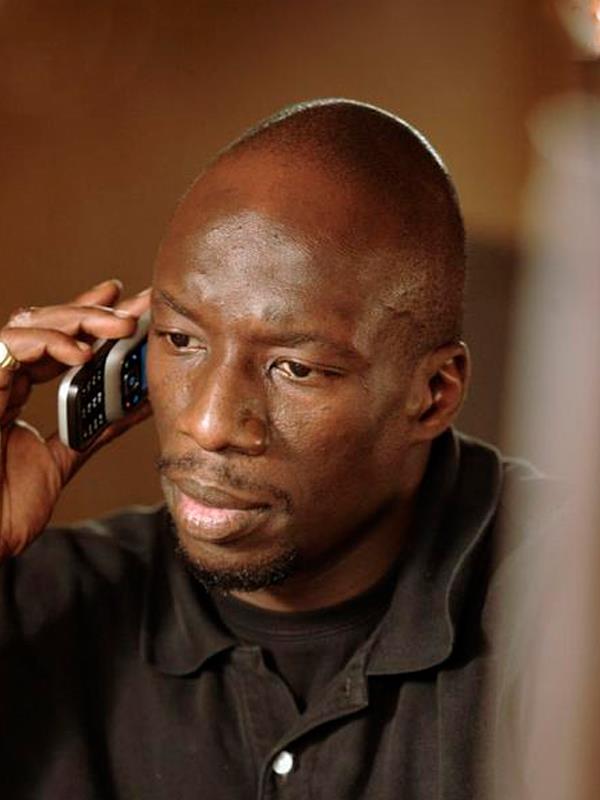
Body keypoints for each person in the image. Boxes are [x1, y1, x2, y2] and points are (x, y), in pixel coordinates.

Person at [0, 99, 532, 799]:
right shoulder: (44, 604)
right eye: (181, 339)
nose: (210, 422)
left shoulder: (561, 603)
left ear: (432, 394)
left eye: (295, 368)